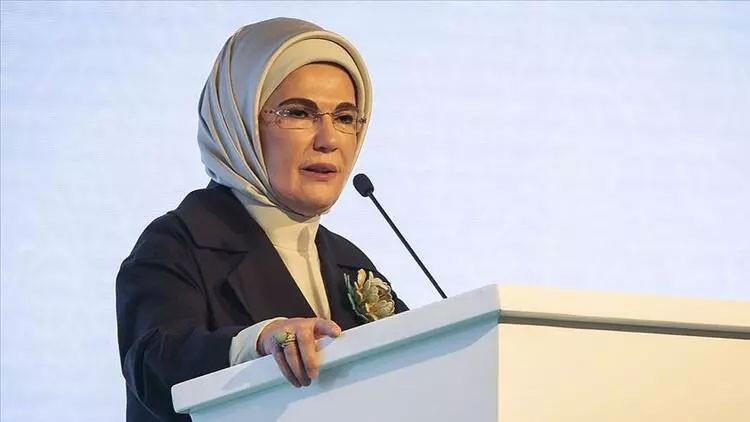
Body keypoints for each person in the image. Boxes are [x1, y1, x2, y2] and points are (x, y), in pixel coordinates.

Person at [116, 17, 409, 422]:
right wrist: (254, 344)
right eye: (299, 112)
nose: (328, 140)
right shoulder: (177, 244)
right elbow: (153, 365)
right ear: (239, 121)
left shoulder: (348, 261)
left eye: (345, 117)